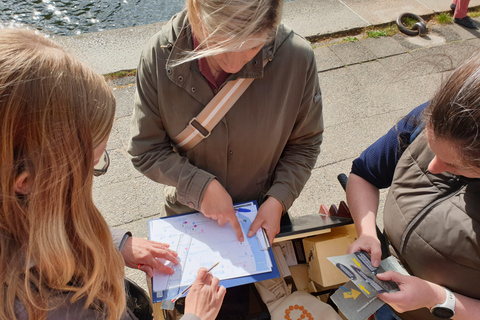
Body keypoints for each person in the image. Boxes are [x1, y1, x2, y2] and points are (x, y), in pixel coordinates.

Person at [0, 28, 225, 320]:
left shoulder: (19, 212)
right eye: (91, 165)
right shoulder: (57, 308)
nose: (93, 177)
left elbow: (45, 221)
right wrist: (197, 317)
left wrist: (117, 242)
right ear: (27, 183)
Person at [128, 0, 323, 246]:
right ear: (196, 11)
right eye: (220, 43)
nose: (233, 63)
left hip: (262, 216)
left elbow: (305, 143)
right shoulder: (158, 56)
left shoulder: (297, 59)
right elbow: (145, 150)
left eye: (252, 47)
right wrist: (199, 187)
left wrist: (278, 199)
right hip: (188, 218)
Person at [346, 52, 480, 319]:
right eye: (431, 148)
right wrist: (367, 232)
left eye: (454, 165)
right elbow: (363, 174)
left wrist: (438, 298)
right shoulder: (441, 116)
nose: (433, 166)